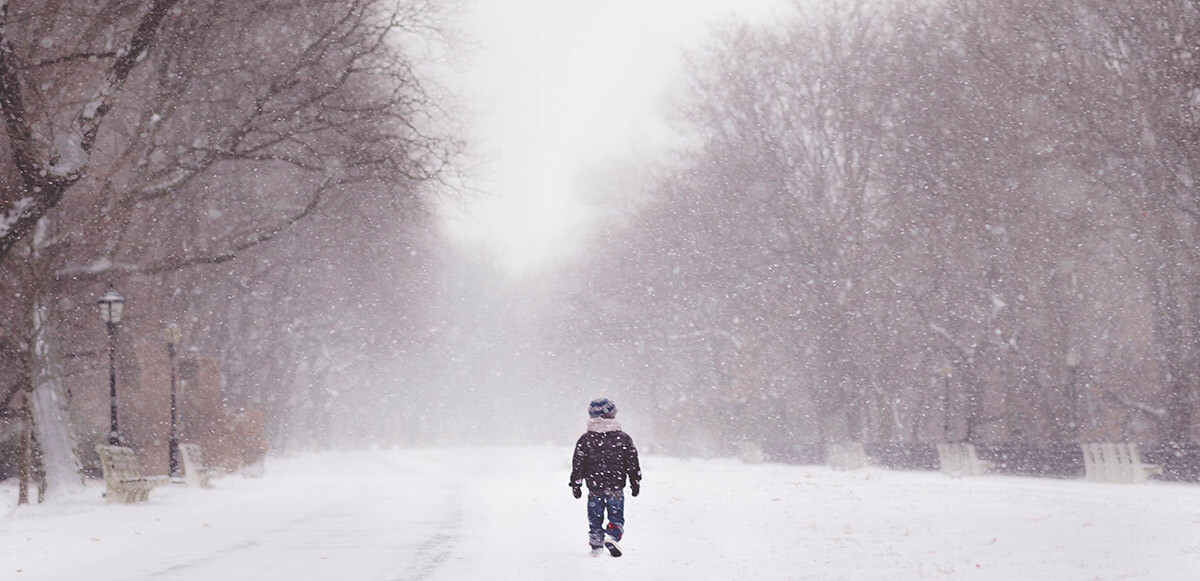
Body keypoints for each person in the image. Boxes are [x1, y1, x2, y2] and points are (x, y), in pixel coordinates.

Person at [569, 397, 642, 558]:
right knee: (616, 515)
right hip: (615, 486)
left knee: (595, 516)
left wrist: (576, 483)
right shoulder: (623, 438)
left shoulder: (586, 439)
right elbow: (632, 462)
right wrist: (635, 481)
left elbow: (578, 463)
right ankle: (613, 536)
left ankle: (596, 545)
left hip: (594, 486)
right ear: (612, 415)